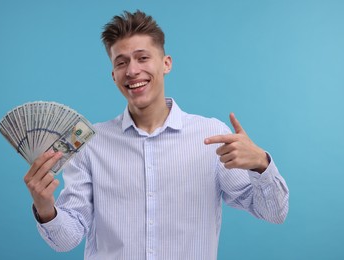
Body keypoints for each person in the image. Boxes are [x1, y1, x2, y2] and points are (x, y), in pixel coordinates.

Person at [24, 10, 289, 260]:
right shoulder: (89, 144)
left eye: (142, 58)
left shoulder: (212, 136)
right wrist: (46, 208)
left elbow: (274, 213)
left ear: (166, 64)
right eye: (121, 62)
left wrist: (261, 165)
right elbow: (66, 240)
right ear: (113, 75)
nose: (132, 70)